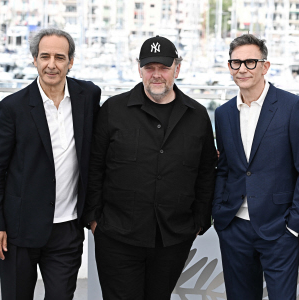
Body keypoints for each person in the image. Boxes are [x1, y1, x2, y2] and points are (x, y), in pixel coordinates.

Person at [83, 35, 217, 300]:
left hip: (173, 239)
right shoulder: (113, 109)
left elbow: (205, 171)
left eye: (164, 67)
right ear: (139, 69)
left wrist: (199, 221)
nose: (157, 75)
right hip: (117, 236)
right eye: (149, 67)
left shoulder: (198, 115)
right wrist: (94, 219)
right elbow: (94, 165)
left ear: (177, 69)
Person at [0, 28, 101, 300]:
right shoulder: (13, 107)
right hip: (18, 230)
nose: (52, 64)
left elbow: (96, 155)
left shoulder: (88, 96)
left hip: (67, 230)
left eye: (60, 57)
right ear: (34, 59)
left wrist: (94, 211)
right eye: (44, 56)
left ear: (71, 61)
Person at [212, 34, 299, 300]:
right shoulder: (224, 113)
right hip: (234, 226)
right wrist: (219, 213)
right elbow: (224, 168)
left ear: (265, 66)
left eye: (250, 62)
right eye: (235, 63)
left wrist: (294, 225)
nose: (242, 69)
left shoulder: (292, 107)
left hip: (279, 228)